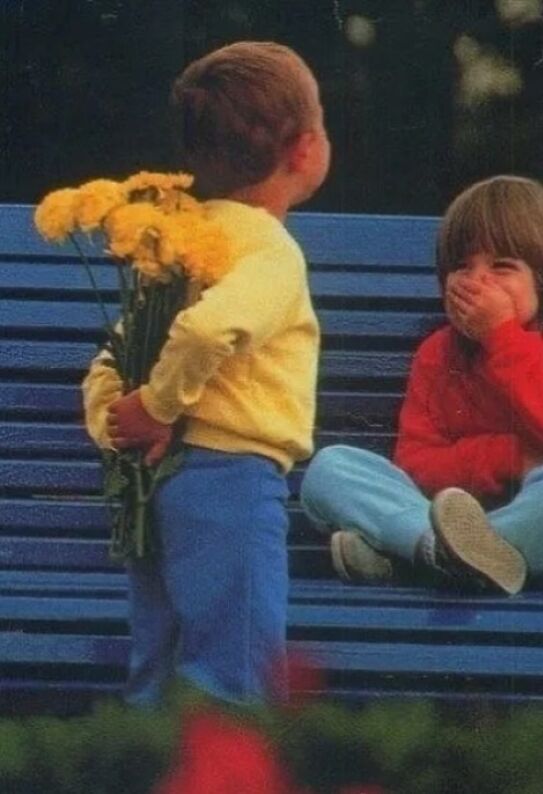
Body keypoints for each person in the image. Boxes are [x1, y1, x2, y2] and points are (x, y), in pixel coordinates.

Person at [82, 41, 330, 706]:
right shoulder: (273, 253)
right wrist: (160, 407)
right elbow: (205, 329)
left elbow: (115, 356)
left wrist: (123, 424)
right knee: (236, 674)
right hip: (233, 481)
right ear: (305, 149)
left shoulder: (181, 241)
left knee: (156, 668)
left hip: (158, 485)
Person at [301, 175, 543, 597]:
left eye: (502, 267)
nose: (477, 281)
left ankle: (421, 562)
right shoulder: (438, 354)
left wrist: (502, 335)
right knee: (330, 470)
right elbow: (417, 465)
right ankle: (443, 553)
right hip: (450, 532)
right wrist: (510, 457)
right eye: (463, 266)